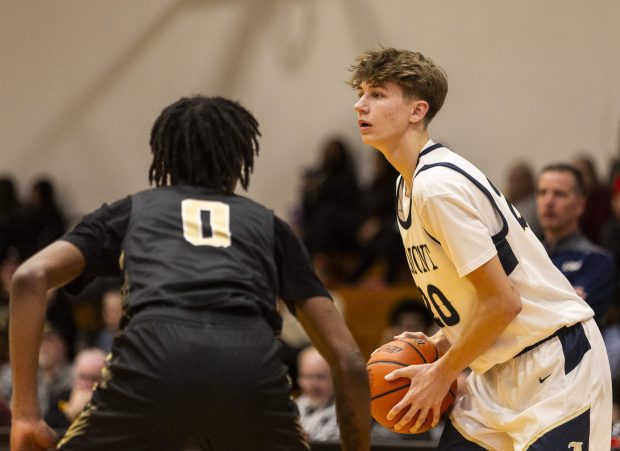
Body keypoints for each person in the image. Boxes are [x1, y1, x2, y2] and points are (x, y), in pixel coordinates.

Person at [9, 95, 370, 451]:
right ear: (238, 160)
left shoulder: (132, 211)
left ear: (165, 158)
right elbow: (349, 361)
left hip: (152, 364)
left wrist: (24, 415)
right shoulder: (270, 227)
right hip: (248, 373)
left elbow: (29, 277)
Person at [349, 47, 611, 449]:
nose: (360, 104)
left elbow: (503, 303)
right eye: (362, 93)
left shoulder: (438, 187)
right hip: (493, 373)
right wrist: (441, 340)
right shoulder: (408, 185)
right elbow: (481, 298)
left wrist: (439, 373)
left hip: (556, 366)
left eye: (377, 94)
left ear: (417, 111)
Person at [536, 163, 616, 326]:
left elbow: (570, 315)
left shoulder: (598, 261)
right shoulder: (525, 256)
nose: (549, 201)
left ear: (581, 205)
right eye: (542, 192)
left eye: (559, 194)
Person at [44, 348, 107, 429]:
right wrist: (69, 416)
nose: (86, 384)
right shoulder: (62, 397)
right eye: (82, 377)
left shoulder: (112, 404)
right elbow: (49, 431)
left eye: (94, 378)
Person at [294, 345, 339, 442]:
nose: (312, 385)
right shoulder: (295, 406)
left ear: (336, 377)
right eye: (306, 377)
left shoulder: (347, 413)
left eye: (320, 377)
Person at [503, 160, 542, 238]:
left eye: (520, 181)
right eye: (513, 180)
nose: (515, 185)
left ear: (529, 182)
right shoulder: (505, 204)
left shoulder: (536, 206)